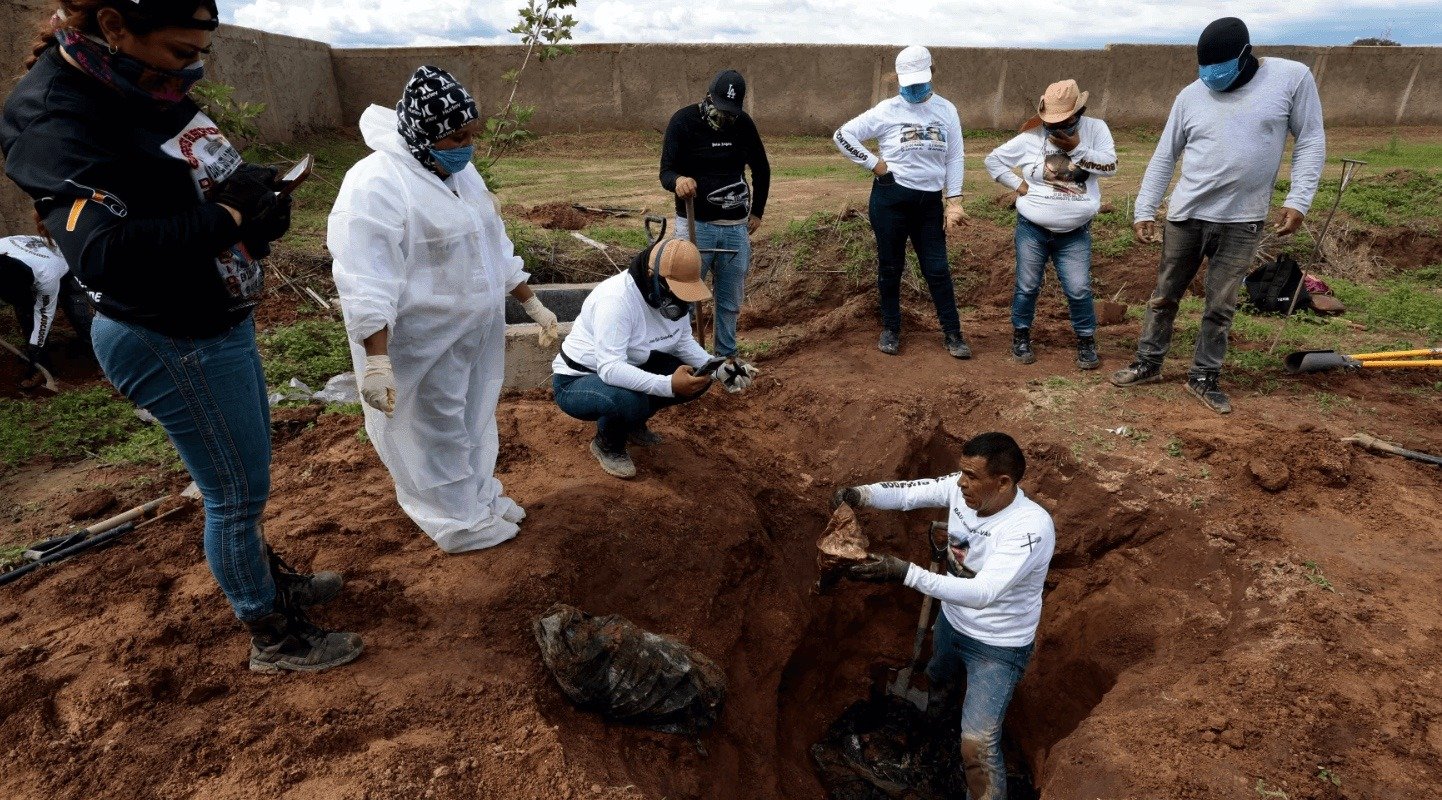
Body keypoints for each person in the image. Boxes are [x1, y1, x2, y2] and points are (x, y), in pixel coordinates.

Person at [1, 0, 361, 672]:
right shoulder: (56, 115)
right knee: (234, 493)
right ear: (113, 26)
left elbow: (191, 181)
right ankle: (273, 635)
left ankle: (268, 583)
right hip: (168, 335)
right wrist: (228, 216)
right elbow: (105, 254)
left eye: (200, 51)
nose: (191, 67)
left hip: (214, 316)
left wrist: (254, 203)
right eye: (176, 50)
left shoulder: (146, 83)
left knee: (244, 481)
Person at [329, 66, 559, 554]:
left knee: (474, 420)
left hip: (473, 336)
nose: (467, 145)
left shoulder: (461, 173)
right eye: (456, 136)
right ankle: (456, 521)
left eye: (471, 134)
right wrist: (376, 362)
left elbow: (492, 244)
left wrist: (532, 303)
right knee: (433, 432)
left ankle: (478, 499)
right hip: (418, 344)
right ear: (422, 132)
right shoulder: (375, 186)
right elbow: (365, 282)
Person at [1111, 16, 1325, 413]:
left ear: (1245, 56)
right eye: (1205, 70)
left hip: (1242, 220)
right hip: (1186, 215)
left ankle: (1204, 376)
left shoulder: (1291, 79)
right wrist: (1145, 208)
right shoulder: (1190, 95)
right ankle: (1148, 363)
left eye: (1220, 68)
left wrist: (1299, 199)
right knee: (1163, 296)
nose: (1212, 77)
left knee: (1220, 305)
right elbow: (1164, 155)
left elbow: (1310, 139)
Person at [834, 432, 1054, 800]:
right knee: (939, 677)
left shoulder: (1030, 528)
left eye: (971, 475)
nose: (961, 482)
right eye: (961, 472)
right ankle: (939, 722)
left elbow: (982, 593)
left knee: (977, 746)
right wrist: (860, 494)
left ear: (1003, 482)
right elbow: (906, 493)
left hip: (998, 646)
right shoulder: (960, 489)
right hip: (952, 624)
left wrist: (905, 573)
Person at [552, 237, 757, 479]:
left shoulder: (672, 299)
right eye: (675, 290)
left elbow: (681, 341)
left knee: (698, 378)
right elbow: (610, 368)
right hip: (579, 379)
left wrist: (719, 369)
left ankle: (631, 425)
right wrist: (668, 385)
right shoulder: (616, 300)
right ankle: (607, 443)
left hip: (629, 365)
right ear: (652, 276)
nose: (680, 300)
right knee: (630, 400)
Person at [834, 45, 970, 359]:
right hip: (891, 199)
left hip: (929, 204)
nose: (914, 88)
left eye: (920, 81)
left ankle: (953, 333)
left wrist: (955, 201)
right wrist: (874, 164)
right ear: (899, 79)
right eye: (908, 82)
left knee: (937, 269)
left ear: (932, 74)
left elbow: (955, 156)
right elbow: (843, 135)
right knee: (890, 266)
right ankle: (891, 329)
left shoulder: (946, 110)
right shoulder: (887, 110)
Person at [984, 80, 1117, 370]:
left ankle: (1086, 341)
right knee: (1027, 286)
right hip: (1032, 228)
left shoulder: (1096, 130)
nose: (1056, 127)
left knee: (1079, 288)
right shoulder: (1030, 137)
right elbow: (993, 161)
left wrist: (1079, 149)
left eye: (1065, 121)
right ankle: (1020, 337)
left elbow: (1110, 167)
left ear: (1079, 113)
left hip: (1075, 232)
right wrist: (1017, 184)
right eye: (1051, 122)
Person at [659, 69, 770, 359]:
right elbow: (666, 171)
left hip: (735, 229)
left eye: (732, 111)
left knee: (730, 299)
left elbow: (761, 168)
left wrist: (756, 211)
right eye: (722, 109)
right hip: (696, 225)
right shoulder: (683, 122)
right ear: (709, 97)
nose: (727, 116)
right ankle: (685, 356)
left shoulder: (743, 124)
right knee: (683, 295)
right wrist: (679, 182)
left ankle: (725, 357)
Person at [0, 233, 95, 386]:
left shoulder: (46, 276)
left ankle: (98, 353)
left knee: (78, 313)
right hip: (33, 259)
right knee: (25, 314)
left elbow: (44, 316)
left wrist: (35, 347)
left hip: (64, 261)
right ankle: (43, 367)